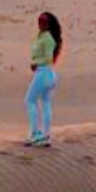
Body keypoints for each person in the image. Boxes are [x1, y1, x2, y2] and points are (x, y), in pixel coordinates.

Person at [24, 11, 62, 147]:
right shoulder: (41, 37)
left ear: (48, 24)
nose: (40, 24)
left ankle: (36, 134)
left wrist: (35, 63)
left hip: (44, 72)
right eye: (39, 21)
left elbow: (48, 58)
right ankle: (45, 135)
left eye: (44, 21)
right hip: (46, 73)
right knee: (45, 102)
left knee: (30, 100)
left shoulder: (48, 39)